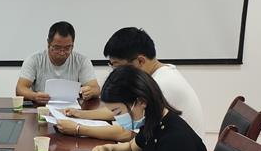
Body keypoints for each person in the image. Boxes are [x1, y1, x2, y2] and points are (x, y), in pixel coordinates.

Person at [58, 27, 205, 139]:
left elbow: (127, 133)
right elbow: (121, 112)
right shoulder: (157, 76)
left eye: (117, 66)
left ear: (140, 61)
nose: (116, 72)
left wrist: (78, 129)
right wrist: (80, 114)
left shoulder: (161, 85)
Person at [16, 21, 100, 103]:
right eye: (57, 48)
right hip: (42, 106)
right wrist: (34, 96)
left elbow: (96, 89)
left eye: (67, 48)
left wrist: (90, 91)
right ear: (48, 44)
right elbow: (20, 89)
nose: (62, 52)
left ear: (73, 45)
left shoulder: (81, 61)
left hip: (72, 108)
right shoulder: (35, 59)